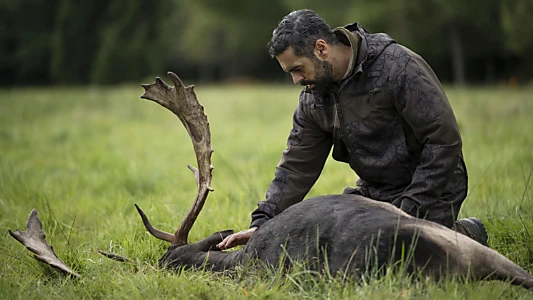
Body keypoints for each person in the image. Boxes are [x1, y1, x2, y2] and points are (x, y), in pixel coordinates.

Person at [217, 9, 488, 250]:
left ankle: (464, 235)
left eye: (298, 69)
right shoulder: (313, 97)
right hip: (374, 193)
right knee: (333, 247)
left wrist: (408, 211)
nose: (295, 80)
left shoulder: (398, 66)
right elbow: (297, 166)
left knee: (395, 256)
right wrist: (262, 224)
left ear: (321, 48)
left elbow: (444, 141)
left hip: (433, 188)